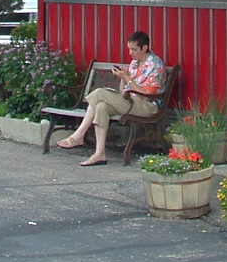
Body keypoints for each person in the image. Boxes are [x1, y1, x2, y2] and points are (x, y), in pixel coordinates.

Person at [56, 31, 166, 167]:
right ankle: (99, 153)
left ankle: (79, 135)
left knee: (99, 93)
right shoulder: (134, 63)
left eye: (134, 49)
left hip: (148, 106)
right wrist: (123, 78)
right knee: (101, 106)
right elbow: (124, 92)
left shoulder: (155, 65)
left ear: (144, 48)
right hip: (131, 102)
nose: (130, 53)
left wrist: (127, 78)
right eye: (129, 49)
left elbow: (146, 94)